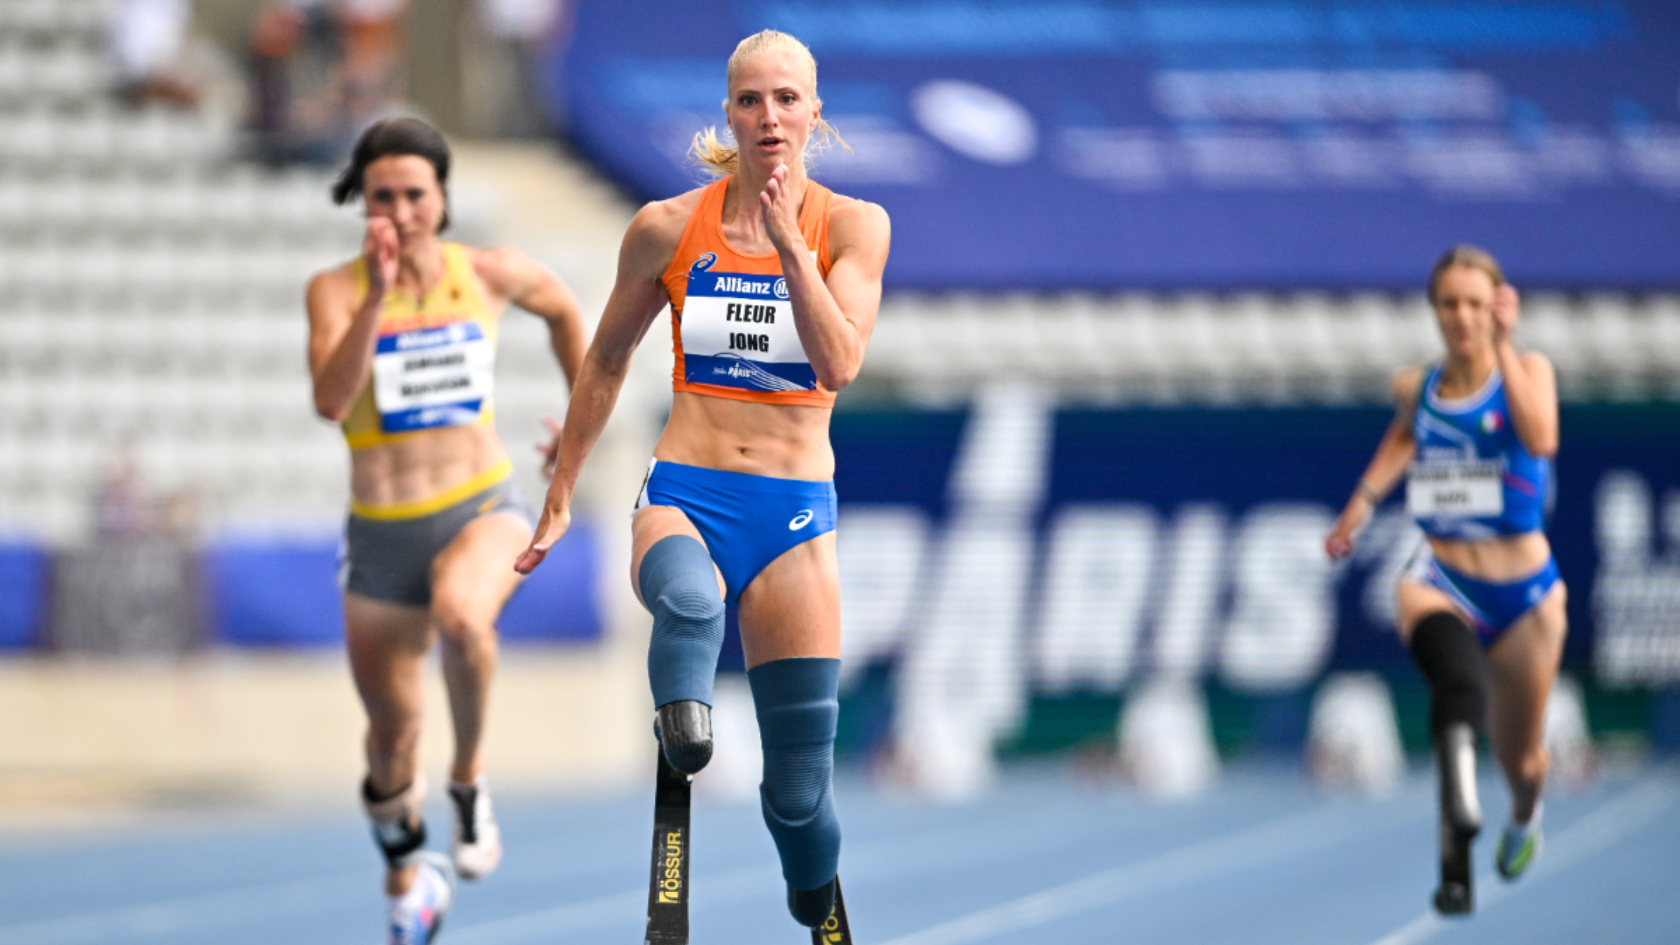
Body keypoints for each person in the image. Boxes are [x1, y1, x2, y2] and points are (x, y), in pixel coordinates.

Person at [514, 29, 890, 931]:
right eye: (751, 100)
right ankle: (680, 730)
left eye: (787, 99)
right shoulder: (665, 228)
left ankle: (814, 895)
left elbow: (838, 362)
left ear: (814, 113)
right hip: (687, 489)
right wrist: (564, 485)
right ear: (728, 113)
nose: (769, 117)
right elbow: (604, 359)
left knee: (800, 801)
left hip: (795, 517)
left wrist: (792, 252)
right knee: (689, 605)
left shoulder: (851, 226)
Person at [307, 116, 587, 944]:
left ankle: (467, 781)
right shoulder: (336, 290)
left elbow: (569, 310)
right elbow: (330, 400)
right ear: (365, 202)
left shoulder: (489, 274)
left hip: (477, 506)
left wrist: (579, 425)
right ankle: (408, 879)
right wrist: (380, 301)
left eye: (414, 194)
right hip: (382, 534)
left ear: (442, 199)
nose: (400, 209)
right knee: (391, 743)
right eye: (383, 195)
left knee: (467, 619)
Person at [1326, 246, 1565, 914]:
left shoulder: (1528, 371)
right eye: (1450, 304)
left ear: (1496, 307)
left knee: (1522, 760)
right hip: (1442, 573)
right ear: (1434, 310)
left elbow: (1541, 435)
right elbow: (1407, 433)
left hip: (1524, 598)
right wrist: (1363, 502)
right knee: (1456, 681)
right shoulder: (1416, 385)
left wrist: (1508, 344)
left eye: (1475, 304)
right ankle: (1456, 831)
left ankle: (1522, 816)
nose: (1462, 316)